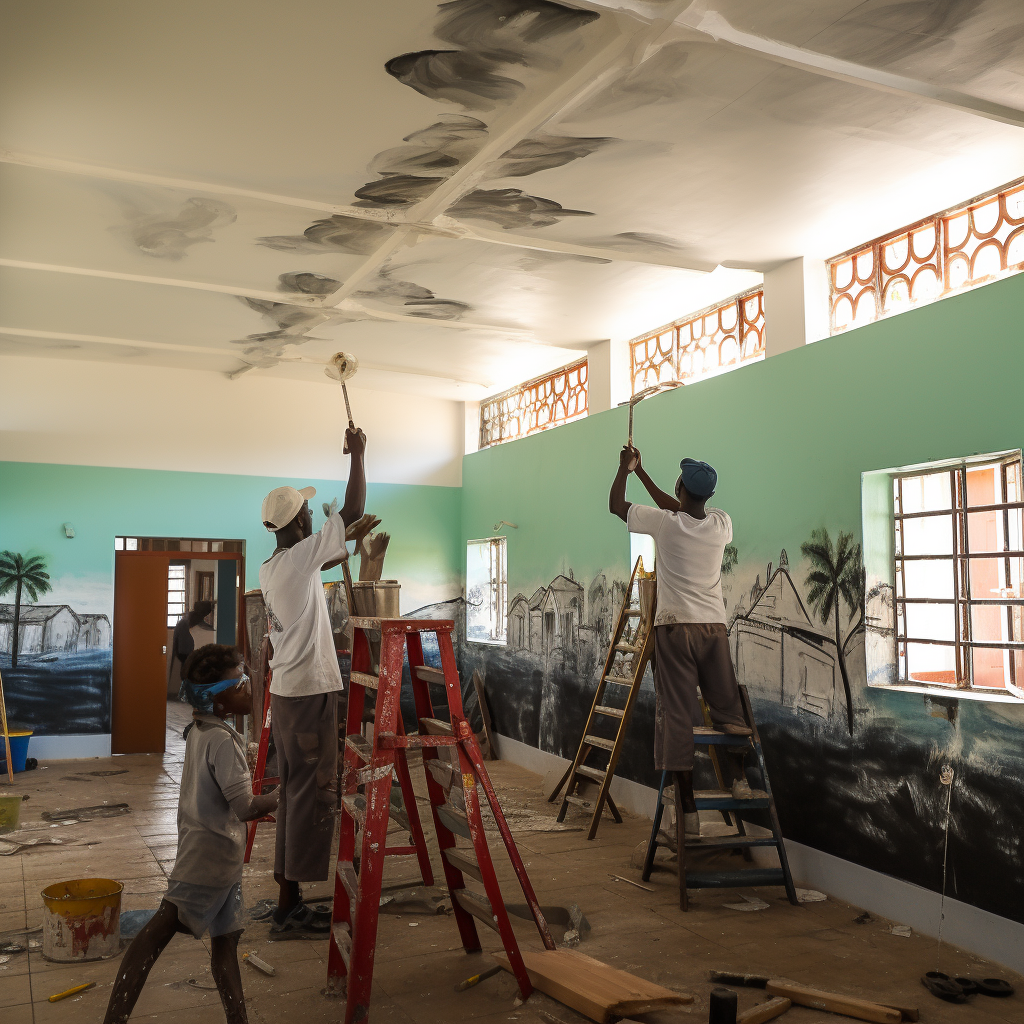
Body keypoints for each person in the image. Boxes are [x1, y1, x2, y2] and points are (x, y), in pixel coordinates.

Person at [104, 644, 277, 1024]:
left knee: (226, 942)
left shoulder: (203, 730)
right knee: (158, 931)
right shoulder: (222, 740)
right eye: (242, 682)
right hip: (209, 856)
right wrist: (280, 796)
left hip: (216, 853)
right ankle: (114, 1018)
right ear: (219, 699)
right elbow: (246, 807)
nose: (250, 688)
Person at [609, 445, 752, 841]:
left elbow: (616, 505)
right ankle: (739, 779)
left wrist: (627, 470)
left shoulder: (665, 525)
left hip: (674, 629)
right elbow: (684, 510)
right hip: (713, 629)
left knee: (678, 714)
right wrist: (644, 474)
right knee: (726, 705)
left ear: (681, 488)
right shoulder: (721, 524)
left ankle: (687, 812)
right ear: (708, 496)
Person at [259, 424, 368, 936]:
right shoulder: (300, 558)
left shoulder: (275, 565)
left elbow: (327, 550)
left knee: (295, 790)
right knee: (313, 793)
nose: (311, 514)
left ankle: (288, 897)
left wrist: (349, 541)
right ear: (299, 521)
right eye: (307, 512)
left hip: (288, 694)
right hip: (307, 694)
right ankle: (289, 908)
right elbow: (350, 507)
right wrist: (360, 454)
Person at [168, 600, 215, 694]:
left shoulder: (186, 619)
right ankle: (190, 694)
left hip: (182, 652)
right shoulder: (195, 622)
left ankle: (187, 692)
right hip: (189, 651)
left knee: (187, 673)